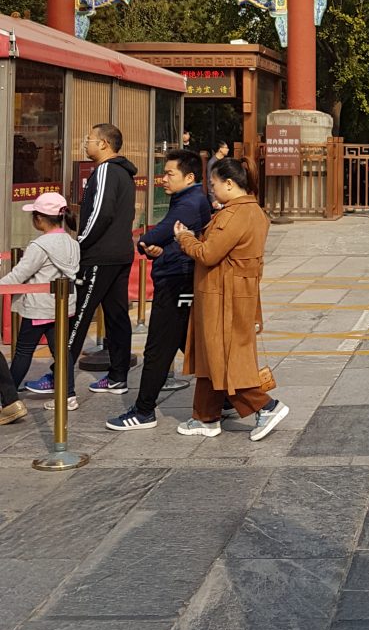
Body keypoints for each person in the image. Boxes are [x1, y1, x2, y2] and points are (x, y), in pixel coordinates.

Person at [172, 157, 289, 441]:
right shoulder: (253, 211)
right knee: (212, 356)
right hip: (235, 292)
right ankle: (205, 417)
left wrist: (185, 238)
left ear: (228, 183)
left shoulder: (234, 215)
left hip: (223, 295)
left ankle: (266, 406)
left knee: (223, 358)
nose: (211, 189)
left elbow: (209, 254)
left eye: (213, 184)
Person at [26, 123, 136, 405]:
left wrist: (80, 243)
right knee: (116, 315)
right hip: (120, 253)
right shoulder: (124, 173)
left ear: (103, 144)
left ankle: (60, 378)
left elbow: (100, 212)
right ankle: (118, 377)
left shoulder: (106, 171)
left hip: (99, 256)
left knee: (78, 316)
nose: (85, 144)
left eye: (89, 139)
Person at [106, 149, 212, 432]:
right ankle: (225, 401)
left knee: (157, 349)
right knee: (188, 347)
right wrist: (156, 249)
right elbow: (164, 241)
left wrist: (149, 243)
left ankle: (143, 411)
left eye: (169, 174)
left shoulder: (189, 203)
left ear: (189, 177)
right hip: (176, 277)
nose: (163, 179)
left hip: (178, 281)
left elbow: (157, 234)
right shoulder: (186, 199)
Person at [0, 193, 79, 424]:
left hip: (39, 308)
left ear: (39, 219)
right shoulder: (72, 242)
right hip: (64, 306)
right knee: (62, 351)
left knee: (24, 351)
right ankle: (69, 395)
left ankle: (9, 397)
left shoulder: (40, 245)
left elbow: (19, 275)